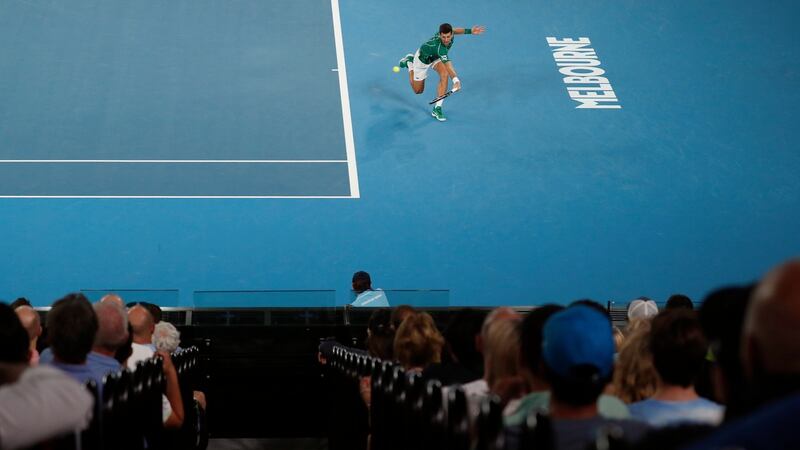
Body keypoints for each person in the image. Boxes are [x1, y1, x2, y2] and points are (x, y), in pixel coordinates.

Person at [397, 23, 485, 122]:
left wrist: (470, 31)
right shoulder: (440, 48)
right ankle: (409, 62)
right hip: (422, 61)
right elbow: (448, 65)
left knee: (444, 74)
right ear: (439, 35)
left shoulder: (450, 35)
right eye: (443, 37)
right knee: (418, 91)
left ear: (451, 34)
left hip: (435, 57)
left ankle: (437, 108)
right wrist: (456, 80)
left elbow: (455, 30)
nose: (446, 40)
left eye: (448, 36)